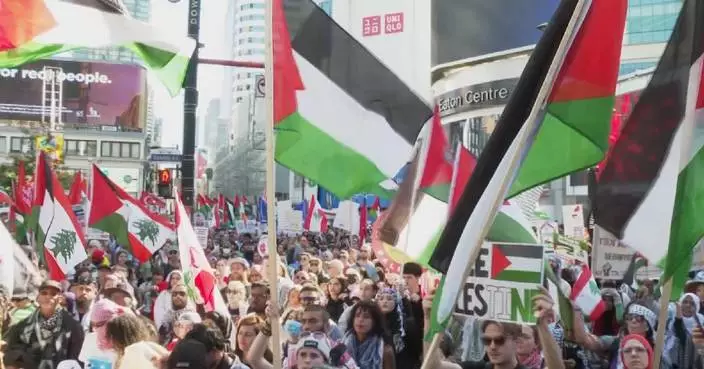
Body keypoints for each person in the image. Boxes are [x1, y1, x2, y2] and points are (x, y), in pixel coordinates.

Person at [4, 280, 85, 369]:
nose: (48, 296)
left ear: (60, 298)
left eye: (53, 294)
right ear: (38, 297)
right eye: (44, 293)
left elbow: (75, 361)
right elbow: (11, 359)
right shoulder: (22, 327)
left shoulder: (73, 327)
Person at [343, 300, 395, 369]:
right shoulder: (343, 345)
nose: (360, 320)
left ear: (375, 322)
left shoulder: (385, 351)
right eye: (357, 316)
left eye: (366, 317)